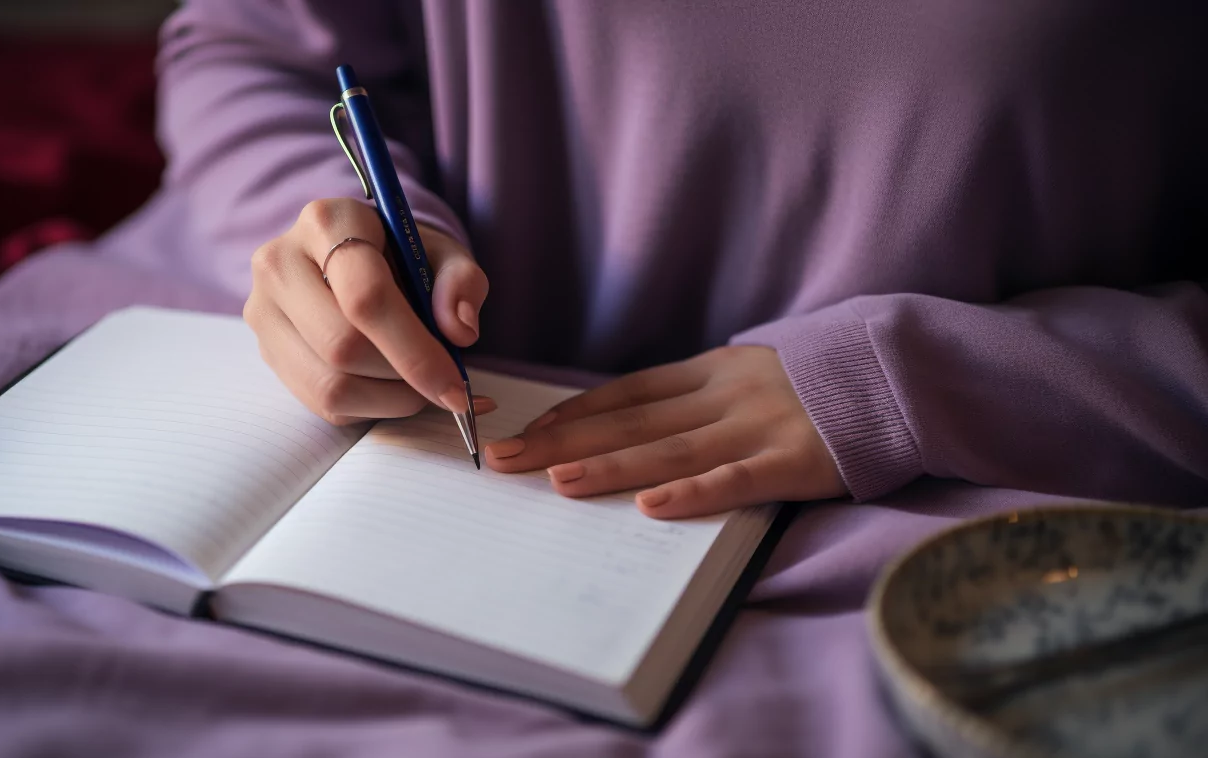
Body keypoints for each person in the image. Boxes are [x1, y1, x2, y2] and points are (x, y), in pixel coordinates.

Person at [156, 1, 1208, 519]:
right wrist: (351, 236)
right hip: (409, 450)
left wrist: (920, 380)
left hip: (974, 521)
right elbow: (253, 52)